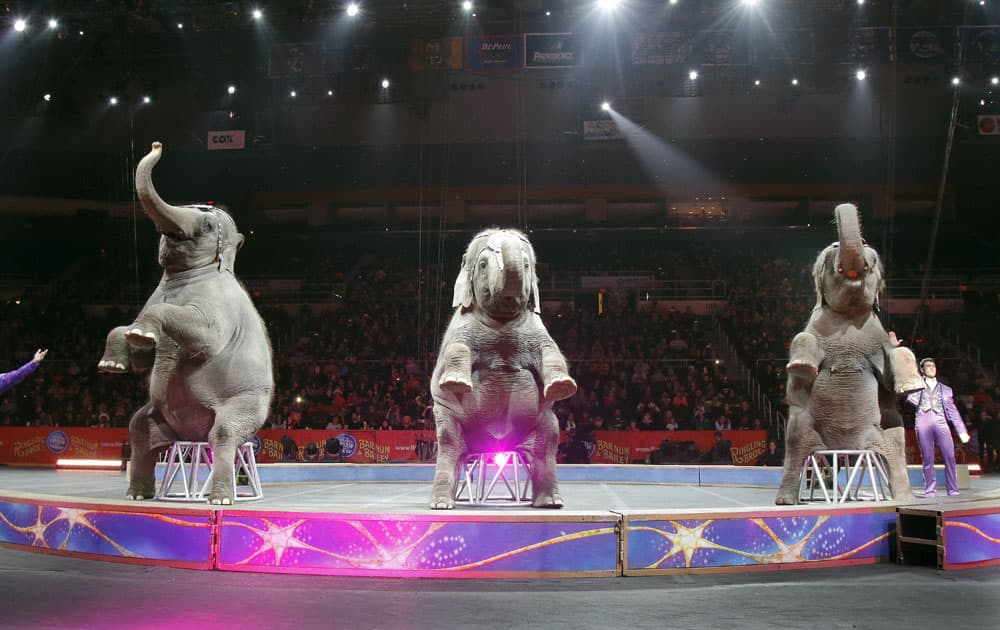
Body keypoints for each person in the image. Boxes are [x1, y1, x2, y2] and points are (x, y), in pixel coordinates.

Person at [905, 358, 970, 498]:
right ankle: (930, 490)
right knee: (927, 457)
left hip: (940, 420)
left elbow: (953, 411)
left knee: (950, 456)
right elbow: (908, 394)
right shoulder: (917, 386)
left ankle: (953, 489)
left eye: (933, 365)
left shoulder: (946, 390)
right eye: (928, 366)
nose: (931, 368)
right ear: (922, 370)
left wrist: (962, 430)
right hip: (923, 419)